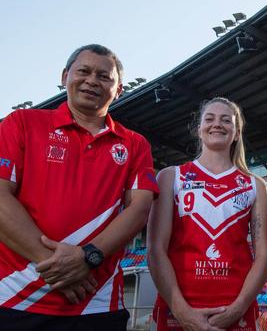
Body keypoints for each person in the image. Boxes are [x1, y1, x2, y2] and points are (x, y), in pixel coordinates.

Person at [0, 44, 159, 330]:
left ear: (119, 89)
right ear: (64, 76)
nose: (92, 80)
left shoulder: (135, 144)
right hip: (14, 299)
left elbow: (140, 208)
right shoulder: (22, 124)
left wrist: (89, 257)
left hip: (96, 303)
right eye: (83, 71)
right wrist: (57, 267)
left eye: (104, 76)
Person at [147, 97, 267, 331]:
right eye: (210, 119)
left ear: (236, 133)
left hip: (234, 310)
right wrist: (181, 310)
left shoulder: (255, 185)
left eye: (226, 120)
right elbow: (155, 249)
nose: (217, 124)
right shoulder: (171, 177)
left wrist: (238, 308)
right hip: (179, 308)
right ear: (199, 129)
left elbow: (264, 256)